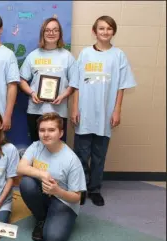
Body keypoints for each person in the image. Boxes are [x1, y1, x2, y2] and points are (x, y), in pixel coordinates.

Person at [70, 16, 136, 206]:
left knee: (99, 155)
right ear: (94, 31)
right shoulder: (85, 54)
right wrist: (75, 107)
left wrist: (117, 110)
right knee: (81, 154)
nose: (105, 32)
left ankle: (94, 189)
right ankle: (80, 189)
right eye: (101, 28)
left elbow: (121, 87)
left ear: (113, 32)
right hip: (84, 113)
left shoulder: (118, 55)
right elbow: (76, 84)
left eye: (109, 29)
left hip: (105, 115)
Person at [17, 112, 86, 241]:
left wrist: (57, 191)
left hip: (64, 200)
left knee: (54, 240)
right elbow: (20, 168)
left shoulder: (71, 160)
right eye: (42, 130)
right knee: (26, 183)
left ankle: (62, 218)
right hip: (44, 194)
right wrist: (41, 174)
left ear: (60, 133)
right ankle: (42, 218)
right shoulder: (36, 146)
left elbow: (77, 197)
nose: (46, 134)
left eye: (51, 130)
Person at [19, 17, 75, 143]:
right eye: (48, 30)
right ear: (43, 33)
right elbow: (22, 80)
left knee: (55, 149)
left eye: (55, 30)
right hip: (36, 111)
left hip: (58, 112)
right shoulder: (33, 55)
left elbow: (74, 83)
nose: (51, 33)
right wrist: (32, 93)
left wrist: (63, 96)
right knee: (36, 148)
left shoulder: (67, 56)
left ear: (60, 34)